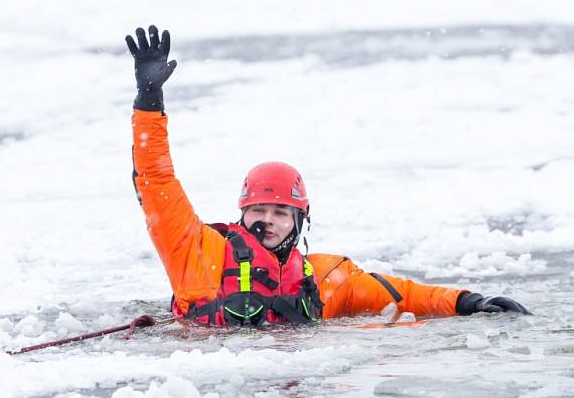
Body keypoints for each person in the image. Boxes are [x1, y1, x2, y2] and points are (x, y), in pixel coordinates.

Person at [126, 25, 529, 326]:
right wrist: (149, 101)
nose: (266, 219)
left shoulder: (324, 277)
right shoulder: (197, 252)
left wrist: (468, 301)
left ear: (300, 220)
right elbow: (156, 180)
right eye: (258, 210)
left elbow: (402, 294)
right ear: (242, 213)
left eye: (280, 212)